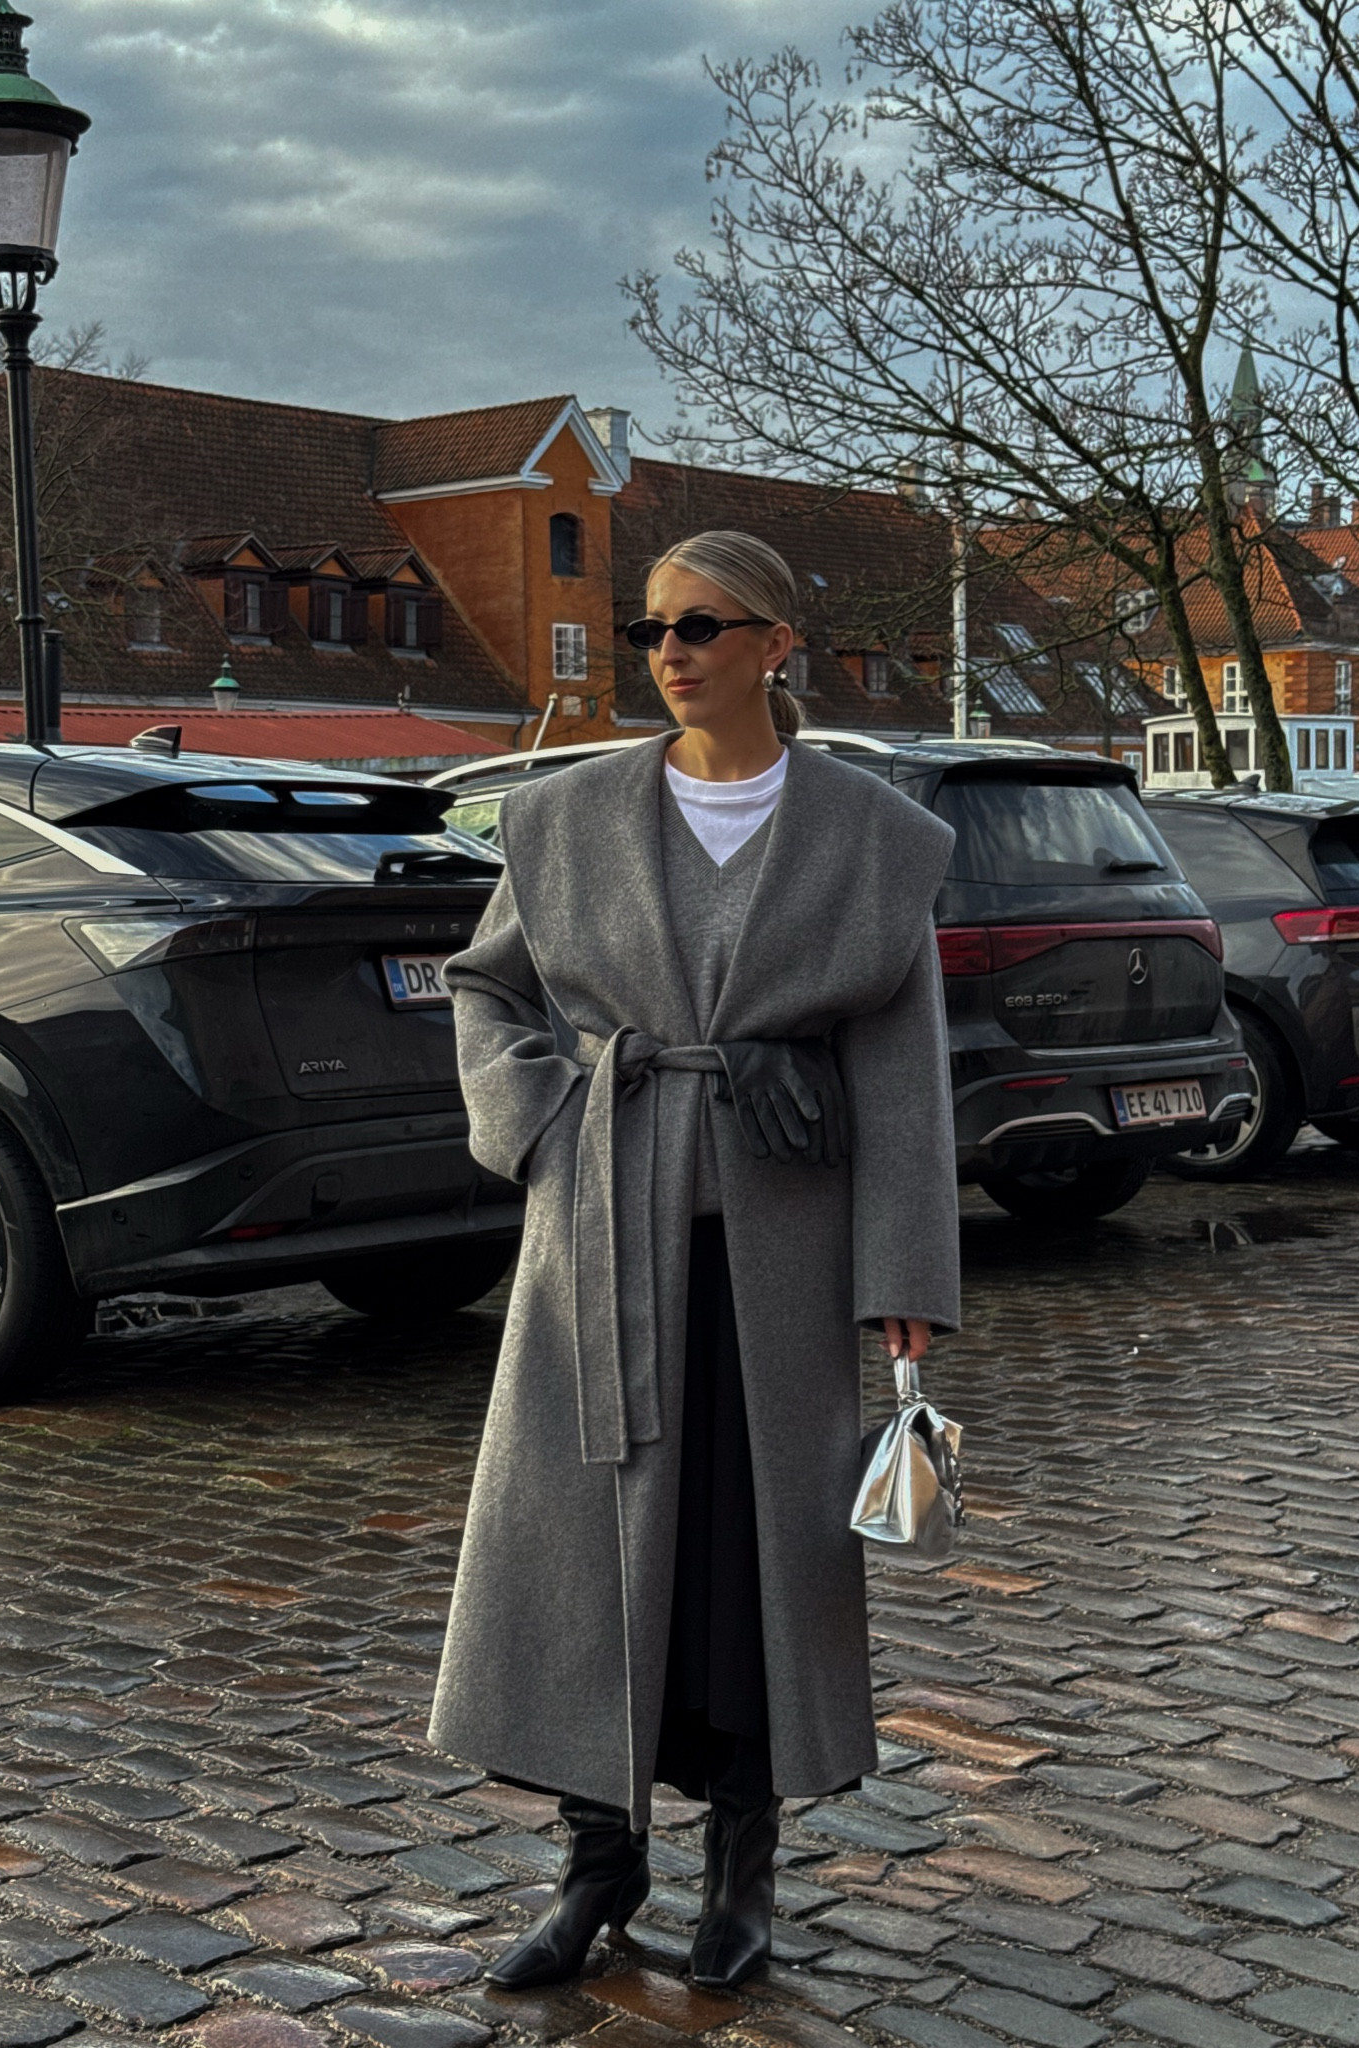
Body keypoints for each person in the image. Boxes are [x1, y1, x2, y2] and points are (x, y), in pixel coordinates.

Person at [429, 530, 960, 1991]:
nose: (669, 652)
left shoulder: (869, 834)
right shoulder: (567, 815)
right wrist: (540, 1122)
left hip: (779, 1257)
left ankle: (742, 1875)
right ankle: (596, 1867)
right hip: (602, 1229)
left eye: (702, 626)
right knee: (589, 1555)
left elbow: (902, 1068)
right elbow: (485, 988)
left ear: (776, 644)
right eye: (650, 628)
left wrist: (904, 1279)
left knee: (750, 1567)